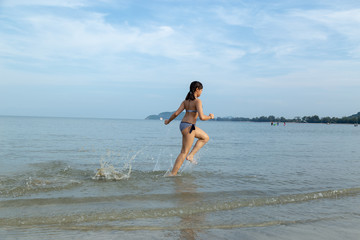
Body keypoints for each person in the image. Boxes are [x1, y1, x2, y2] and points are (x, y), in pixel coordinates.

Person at [164, 81, 214, 176]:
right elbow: (202, 117)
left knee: (205, 138)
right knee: (183, 152)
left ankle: (191, 156)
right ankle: (173, 173)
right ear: (197, 89)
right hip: (189, 127)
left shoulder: (185, 101)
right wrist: (210, 117)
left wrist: (168, 121)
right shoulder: (198, 101)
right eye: (201, 90)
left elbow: (176, 113)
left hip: (183, 125)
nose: (201, 92)